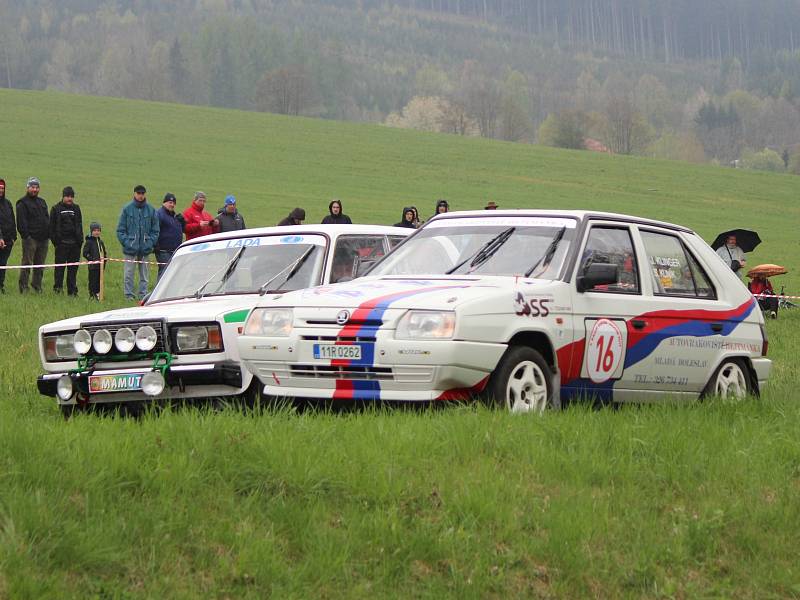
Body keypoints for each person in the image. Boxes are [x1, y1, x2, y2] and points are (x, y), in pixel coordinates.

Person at [116, 184, 159, 300]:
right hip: (130, 249)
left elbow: (155, 230)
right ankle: (128, 295)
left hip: (145, 249)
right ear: (134, 194)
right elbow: (120, 230)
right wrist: (128, 242)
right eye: (138, 193)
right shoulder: (127, 209)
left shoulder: (151, 210)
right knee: (128, 274)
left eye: (142, 193)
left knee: (144, 275)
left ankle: (143, 295)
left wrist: (149, 243)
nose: (140, 196)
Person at [16, 177, 49, 293]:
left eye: (36, 187)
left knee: (40, 265)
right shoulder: (22, 203)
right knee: (27, 263)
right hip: (31, 239)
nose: (34, 190)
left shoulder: (42, 202)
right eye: (32, 187)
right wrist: (27, 237)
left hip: (44, 239)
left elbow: (47, 218)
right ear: (27, 188)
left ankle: (37, 286)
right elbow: (21, 222)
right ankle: (23, 287)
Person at [49, 186, 83, 295]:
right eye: (67, 196)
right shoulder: (56, 209)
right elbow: (52, 227)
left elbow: (79, 225)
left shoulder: (76, 208)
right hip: (61, 244)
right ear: (63, 196)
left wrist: (79, 241)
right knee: (59, 270)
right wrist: (56, 242)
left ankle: (72, 291)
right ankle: (58, 289)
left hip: (75, 245)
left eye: (72, 196)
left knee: (73, 270)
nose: (70, 199)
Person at [155, 192, 184, 280]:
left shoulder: (174, 216)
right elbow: (155, 230)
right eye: (170, 202)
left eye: (173, 203)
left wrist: (182, 223)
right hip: (163, 250)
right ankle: (159, 292)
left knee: (171, 273)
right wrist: (156, 244)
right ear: (164, 203)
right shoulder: (159, 214)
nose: (172, 205)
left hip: (174, 250)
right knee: (164, 272)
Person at [82, 222, 107, 300]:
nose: (97, 232)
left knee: (99, 281)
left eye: (98, 230)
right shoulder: (89, 242)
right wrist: (91, 259)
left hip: (100, 266)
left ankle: (98, 294)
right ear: (91, 231)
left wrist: (104, 261)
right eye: (95, 230)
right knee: (92, 281)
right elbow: (85, 253)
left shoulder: (100, 242)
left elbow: (104, 253)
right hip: (93, 267)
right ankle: (92, 295)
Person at [0, 178, 16, 294]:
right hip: (0, 239)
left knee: (3, 264)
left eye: (2, 188)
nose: (1, 190)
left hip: (8, 240)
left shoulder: (8, 203)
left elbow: (12, 220)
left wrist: (13, 237)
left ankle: (1, 285)